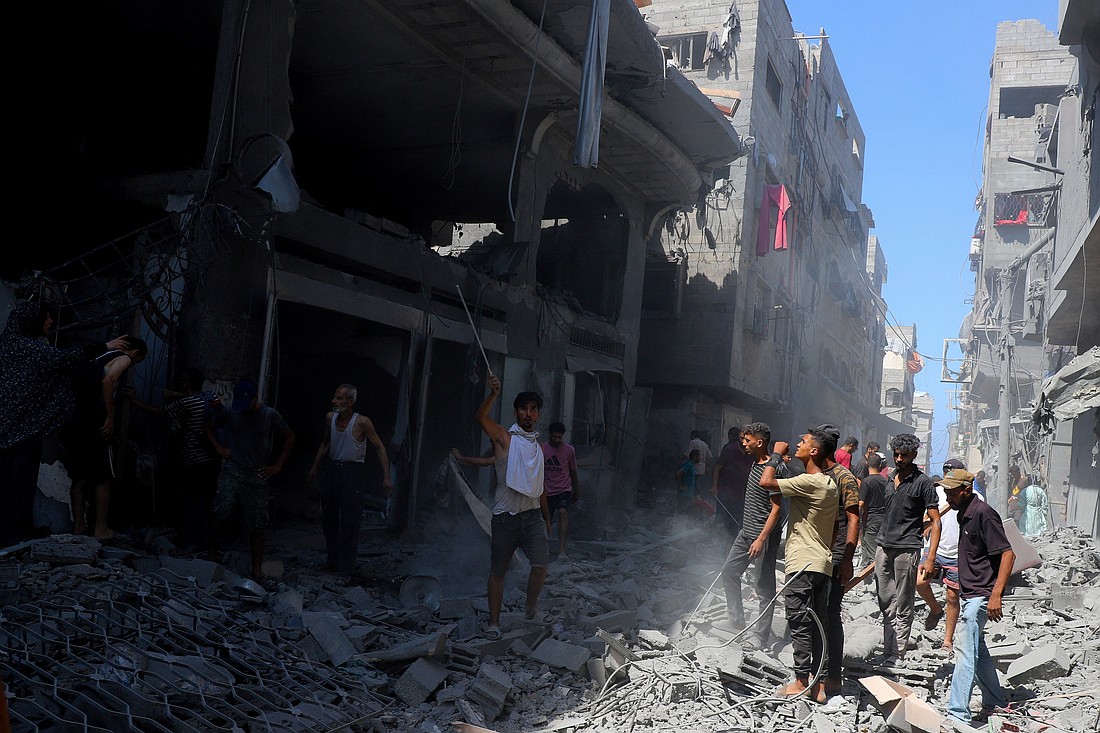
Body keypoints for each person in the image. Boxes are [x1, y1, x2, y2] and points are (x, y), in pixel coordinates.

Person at [0, 301, 132, 546]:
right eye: (47, 317)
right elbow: (66, 359)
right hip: (20, 431)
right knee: (18, 482)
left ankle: (15, 531)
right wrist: (106, 347)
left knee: (12, 482)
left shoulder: (7, 345)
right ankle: (13, 534)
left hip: (11, 429)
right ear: (32, 321)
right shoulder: (28, 348)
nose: (51, 322)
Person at [760, 428, 838, 703]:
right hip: (821, 563)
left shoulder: (810, 481)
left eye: (803, 442)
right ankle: (819, 685)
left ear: (814, 451)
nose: (797, 444)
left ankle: (801, 681)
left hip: (802, 563)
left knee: (799, 622)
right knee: (818, 624)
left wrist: (775, 456)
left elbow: (766, 482)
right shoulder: (829, 484)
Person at [475, 375, 551, 640]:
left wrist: (546, 519)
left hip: (532, 517)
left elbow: (539, 486)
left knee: (541, 565)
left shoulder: (538, 447)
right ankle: (494, 624)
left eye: (533, 409)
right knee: (498, 573)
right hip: (505, 518)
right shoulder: (505, 439)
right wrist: (493, 394)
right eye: (523, 408)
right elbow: (481, 418)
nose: (528, 413)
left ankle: (531, 610)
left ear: (538, 414)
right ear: (515, 412)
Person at [206, 378, 295, 590]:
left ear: (255, 399)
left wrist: (277, 466)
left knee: (257, 524)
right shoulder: (230, 412)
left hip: (257, 474)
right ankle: (211, 558)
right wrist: (219, 448)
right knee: (221, 512)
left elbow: (290, 437)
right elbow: (209, 426)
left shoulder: (269, 415)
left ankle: (256, 569)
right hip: (233, 470)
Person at [942, 469, 1014, 727]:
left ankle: (957, 714)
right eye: (946, 492)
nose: (948, 497)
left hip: (981, 595)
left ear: (966, 490)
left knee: (964, 651)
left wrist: (995, 595)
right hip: (970, 593)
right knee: (978, 650)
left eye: (952, 492)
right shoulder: (963, 513)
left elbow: (1008, 554)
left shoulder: (984, 513)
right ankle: (995, 701)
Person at [62, 336, 149, 539]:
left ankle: (79, 526)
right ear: (135, 353)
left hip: (78, 420)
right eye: (138, 361)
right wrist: (110, 415)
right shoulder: (124, 358)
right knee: (103, 477)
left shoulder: (99, 357)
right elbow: (108, 381)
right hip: (97, 420)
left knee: (80, 477)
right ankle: (101, 529)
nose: (134, 364)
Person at [307, 383, 392, 584]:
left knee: (350, 523)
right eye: (335, 397)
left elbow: (380, 448)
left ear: (350, 402)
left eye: (339, 398)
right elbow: (326, 442)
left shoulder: (361, 422)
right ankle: (332, 562)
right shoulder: (330, 418)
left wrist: (387, 477)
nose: (334, 401)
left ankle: (346, 570)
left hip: (352, 473)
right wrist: (315, 466)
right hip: (332, 470)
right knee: (328, 519)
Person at [130, 367, 221, 547]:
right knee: (206, 500)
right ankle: (208, 541)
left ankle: (194, 541)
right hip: (212, 459)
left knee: (192, 501)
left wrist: (134, 401)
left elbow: (159, 412)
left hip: (193, 459)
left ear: (187, 383)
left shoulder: (185, 403)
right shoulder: (211, 397)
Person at [874, 433, 940, 663]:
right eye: (896, 454)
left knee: (903, 601)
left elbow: (936, 520)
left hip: (907, 547)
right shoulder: (889, 478)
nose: (899, 459)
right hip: (884, 546)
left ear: (913, 455)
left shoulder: (923, 483)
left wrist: (930, 558)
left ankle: (896, 653)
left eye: (904, 455)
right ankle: (888, 649)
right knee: (885, 600)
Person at [719, 422, 784, 649]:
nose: (744, 443)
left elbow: (776, 509)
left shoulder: (774, 469)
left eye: (747, 440)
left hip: (762, 538)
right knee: (729, 572)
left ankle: (760, 636)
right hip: (745, 533)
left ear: (760, 442)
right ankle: (736, 622)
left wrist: (761, 539)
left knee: (764, 587)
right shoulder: (755, 463)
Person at [916, 458, 983, 652]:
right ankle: (936, 609)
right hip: (935, 549)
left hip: (957, 553)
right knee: (920, 582)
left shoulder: (975, 497)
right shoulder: (936, 492)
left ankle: (948, 640)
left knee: (952, 598)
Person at [819, 425, 861, 697]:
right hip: (815, 554)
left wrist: (847, 558)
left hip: (834, 555)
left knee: (830, 613)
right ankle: (815, 670)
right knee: (814, 612)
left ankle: (833, 675)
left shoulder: (843, 477)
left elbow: (854, 518)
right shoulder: (815, 475)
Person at [541, 422, 579, 560]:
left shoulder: (569, 450)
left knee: (563, 513)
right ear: (550, 435)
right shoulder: (542, 448)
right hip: (547, 490)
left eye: (559, 437)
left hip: (564, 488)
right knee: (547, 520)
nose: (557, 440)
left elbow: (573, 471)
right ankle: (545, 550)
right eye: (554, 437)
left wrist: (576, 490)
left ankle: (562, 551)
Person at [712, 425, 754, 538]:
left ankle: (730, 542)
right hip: (724, 490)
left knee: (735, 520)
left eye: (747, 439)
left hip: (741, 493)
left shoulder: (752, 453)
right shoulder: (729, 449)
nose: (744, 442)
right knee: (720, 518)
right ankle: (715, 540)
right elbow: (717, 468)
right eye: (741, 438)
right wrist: (714, 486)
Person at [859, 452, 889, 567]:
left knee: (872, 551)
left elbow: (861, 503)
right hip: (883, 519)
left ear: (867, 464)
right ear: (880, 465)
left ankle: (874, 572)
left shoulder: (866, 482)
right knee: (866, 545)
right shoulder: (885, 482)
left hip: (870, 519)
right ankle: (865, 572)